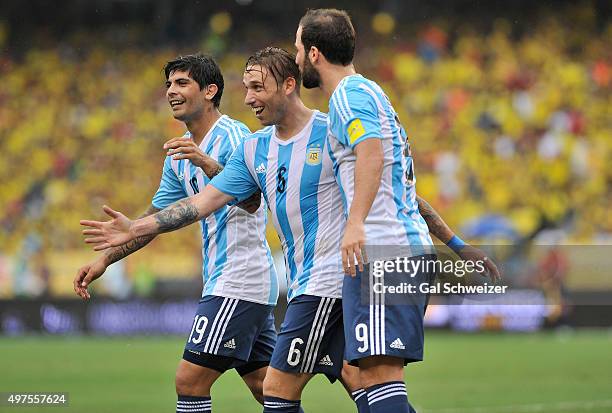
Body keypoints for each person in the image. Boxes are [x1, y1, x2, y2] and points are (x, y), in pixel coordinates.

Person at [80, 48, 499, 413]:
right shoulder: (253, 147)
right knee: (348, 379)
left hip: (322, 278)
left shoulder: (322, 129)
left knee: (257, 388)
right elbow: (196, 205)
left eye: (258, 88)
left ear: (289, 84)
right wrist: (123, 237)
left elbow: (399, 192)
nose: (249, 99)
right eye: (246, 89)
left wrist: (458, 245)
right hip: (300, 282)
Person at [294, 9, 499, 413]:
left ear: (314, 53)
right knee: (371, 380)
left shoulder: (349, 97)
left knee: (381, 378)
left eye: (298, 48)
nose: (296, 56)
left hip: (383, 253)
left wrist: (355, 224)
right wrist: (458, 245)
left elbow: (372, 153)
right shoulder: (369, 94)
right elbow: (400, 185)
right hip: (394, 250)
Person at [74, 54, 278, 413]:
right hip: (240, 280)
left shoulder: (236, 136)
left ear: (210, 90)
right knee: (269, 388)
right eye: (169, 84)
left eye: (182, 83)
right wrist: (105, 259)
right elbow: (155, 220)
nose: (171, 91)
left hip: (238, 279)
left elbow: (252, 201)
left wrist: (206, 162)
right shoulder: (177, 155)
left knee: (189, 381)